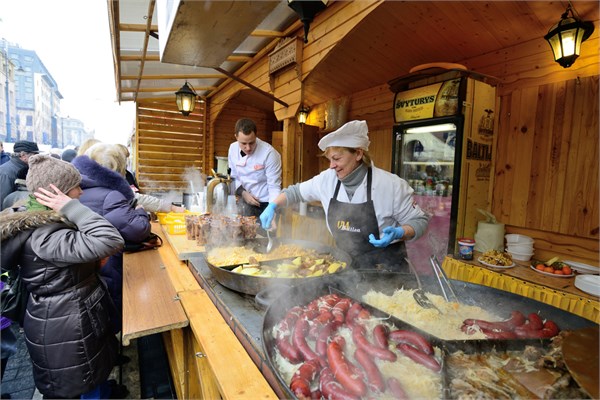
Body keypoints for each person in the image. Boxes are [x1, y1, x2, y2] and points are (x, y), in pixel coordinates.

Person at [0, 155, 124, 399]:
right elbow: (111, 239)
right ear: (59, 194)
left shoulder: (42, 220)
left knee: (90, 376)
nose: (80, 192)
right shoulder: (46, 235)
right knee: (83, 384)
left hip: (68, 317)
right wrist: (71, 207)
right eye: (75, 187)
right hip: (67, 325)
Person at [259, 120, 429, 271]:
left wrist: (400, 232)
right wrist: (273, 205)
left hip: (387, 268)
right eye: (329, 160)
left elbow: (419, 221)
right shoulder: (327, 179)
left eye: (337, 159)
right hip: (346, 266)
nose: (332, 166)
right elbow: (294, 192)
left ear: (358, 154)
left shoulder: (391, 185)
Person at [71, 143, 152, 332]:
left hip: (82, 266)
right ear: (118, 168)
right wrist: (140, 213)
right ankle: (114, 344)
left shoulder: (76, 187)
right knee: (109, 309)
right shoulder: (111, 194)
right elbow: (137, 230)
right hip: (105, 264)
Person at [228, 118, 282, 219]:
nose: (248, 148)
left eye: (251, 143)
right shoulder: (232, 149)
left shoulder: (270, 154)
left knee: (263, 234)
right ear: (236, 137)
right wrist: (243, 193)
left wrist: (272, 210)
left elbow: (274, 186)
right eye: (243, 143)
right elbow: (233, 177)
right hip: (243, 201)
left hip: (266, 205)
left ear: (256, 136)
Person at [0, 140, 39, 208]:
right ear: (23, 155)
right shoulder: (6, 172)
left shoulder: (26, 168)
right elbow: (2, 201)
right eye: (34, 155)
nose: (37, 158)